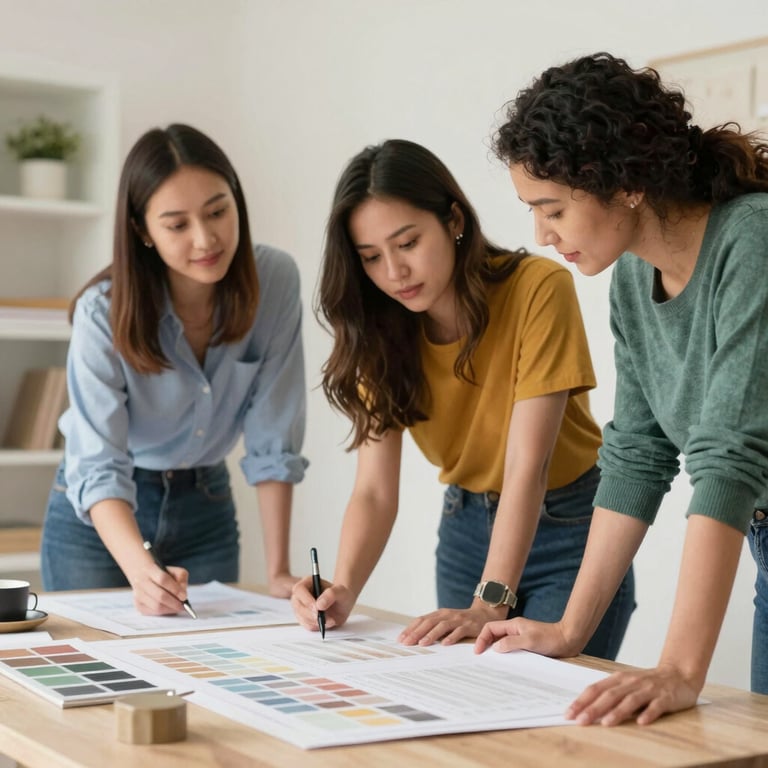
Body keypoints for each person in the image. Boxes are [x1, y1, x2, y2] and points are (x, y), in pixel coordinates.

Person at [476, 51, 768, 725]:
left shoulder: (751, 242)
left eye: (552, 209)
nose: (541, 236)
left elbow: (730, 453)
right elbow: (637, 452)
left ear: (626, 182)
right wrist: (571, 630)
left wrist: (678, 670)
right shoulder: (634, 280)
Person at [290, 139, 635, 659]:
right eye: (371, 258)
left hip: (572, 529)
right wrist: (342, 589)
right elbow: (375, 492)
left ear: (453, 220)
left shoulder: (537, 289)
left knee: (554, 721)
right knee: (471, 710)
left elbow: (528, 465)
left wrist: (490, 604)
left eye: (407, 243)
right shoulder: (379, 333)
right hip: (465, 530)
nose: (393, 272)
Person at [40, 123, 308, 614]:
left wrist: (277, 571)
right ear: (142, 230)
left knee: (205, 666)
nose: (206, 238)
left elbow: (274, 433)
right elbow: (98, 464)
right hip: (103, 516)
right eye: (177, 224)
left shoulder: (275, 281)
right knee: (94, 668)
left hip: (205, 502)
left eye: (217, 212)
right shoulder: (102, 312)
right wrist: (143, 573)